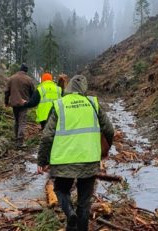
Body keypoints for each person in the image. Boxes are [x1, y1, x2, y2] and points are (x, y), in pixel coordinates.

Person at [37, 75, 114, 231]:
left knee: (60, 190)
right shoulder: (93, 103)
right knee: (84, 203)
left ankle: (70, 213)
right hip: (89, 158)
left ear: (68, 88)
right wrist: (105, 149)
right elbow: (109, 130)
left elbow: (46, 136)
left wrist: (42, 160)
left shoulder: (59, 104)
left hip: (64, 159)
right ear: (83, 89)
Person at [4, 63, 35, 148]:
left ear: (20, 69)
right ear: (26, 71)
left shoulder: (12, 78)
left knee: (17, 121)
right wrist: (31, 103)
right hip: (24, 103)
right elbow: (33, 93)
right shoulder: (29, 80)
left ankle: (16, 139)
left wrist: (6, 102)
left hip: (14, 103)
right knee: (22, 122)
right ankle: (20, 142)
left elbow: (6, 92)